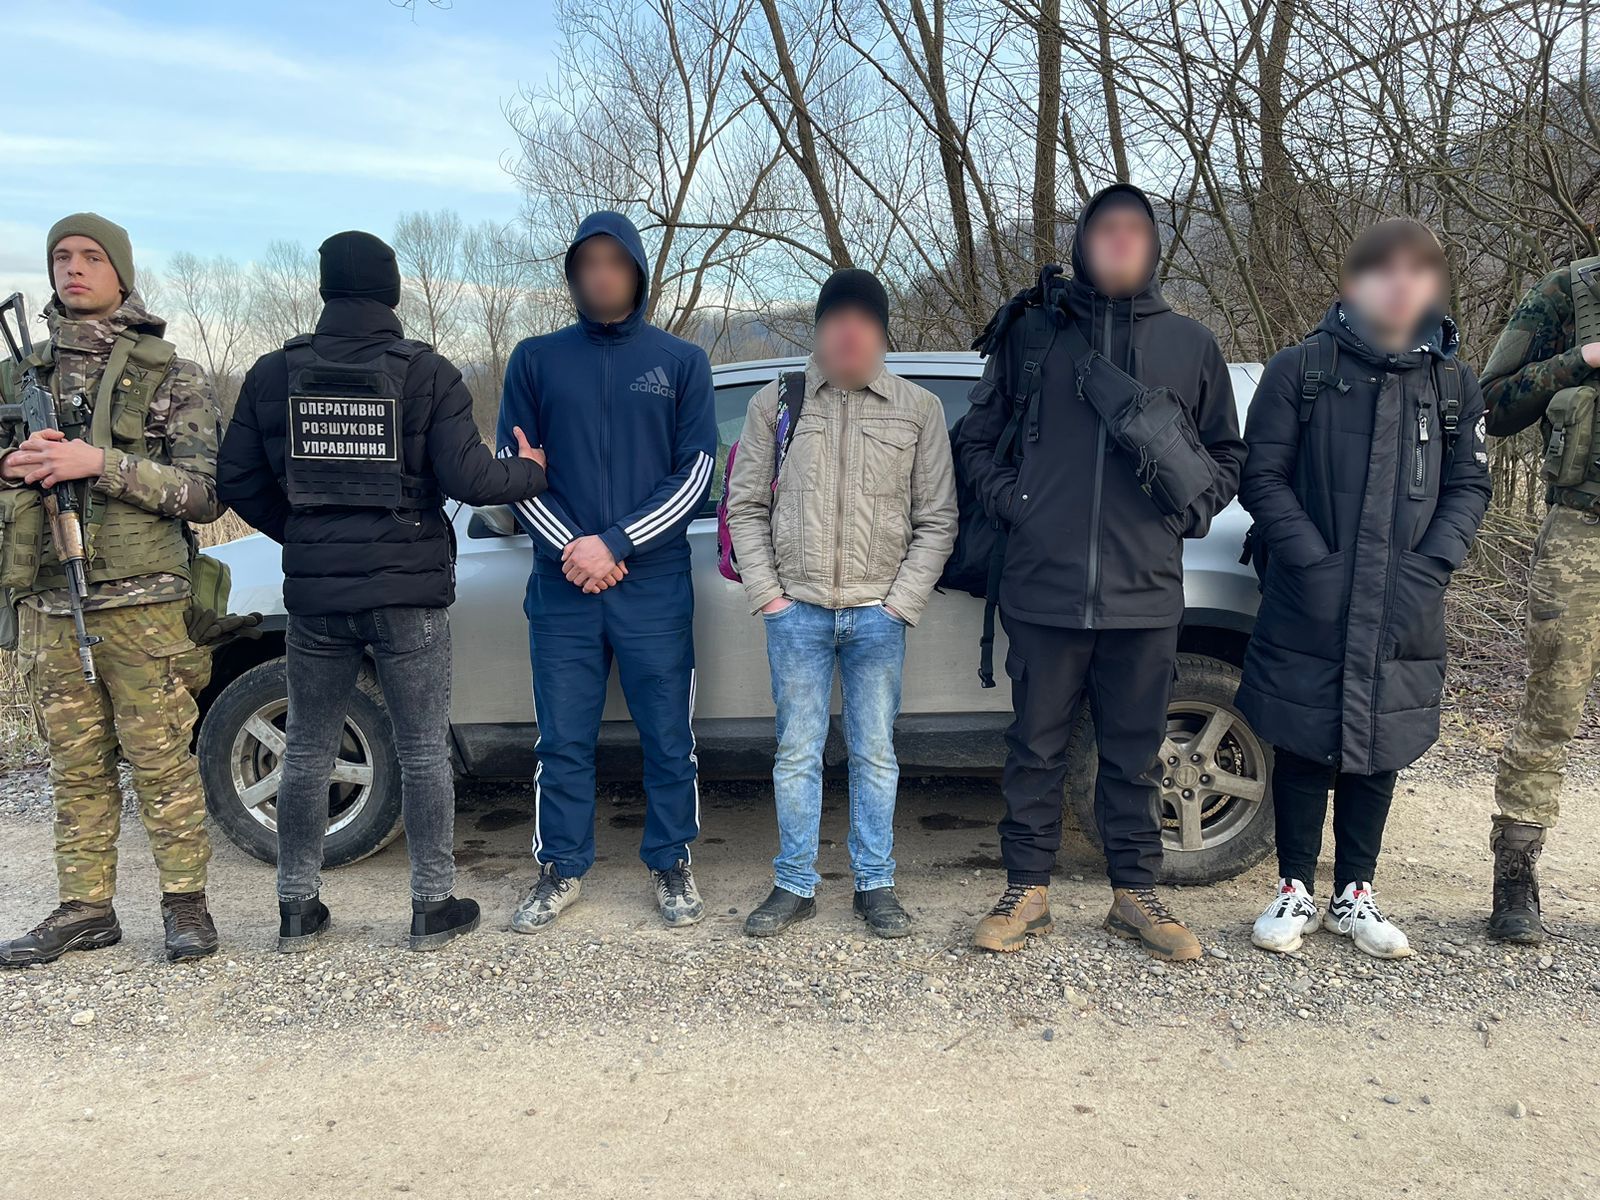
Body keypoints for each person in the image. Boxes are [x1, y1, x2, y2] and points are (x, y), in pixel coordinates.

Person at [218, 230, 548, 952]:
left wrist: (304, 532)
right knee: (423, 748)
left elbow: (235, 478)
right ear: (391, 291)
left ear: (326, 288)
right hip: (408, 596)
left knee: (307, 749)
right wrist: (532, 470)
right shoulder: (426, 372)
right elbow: (470, 479)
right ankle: (432, 906)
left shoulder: (274, 373)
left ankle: (296, 908)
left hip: (318, 603)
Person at [956, 184, 1245, 962]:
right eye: (1104, 228)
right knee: (1035, 749)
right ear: (1082, 242)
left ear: (1153, 247)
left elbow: (1228, 455)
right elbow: (974, 441)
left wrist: (1185, 516)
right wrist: (1016, 504)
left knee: (1134, 752)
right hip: (1043, 588)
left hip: (1144, 593)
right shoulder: (1032, 335)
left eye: (1134, 230)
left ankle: (1135, 895)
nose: (1119, 240)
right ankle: (1026, 891)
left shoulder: (1190, 344)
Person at [1237, 219, 1490, 959]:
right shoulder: (1301, 369)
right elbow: (1261, 476)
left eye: (1418, 271)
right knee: (1303, 737)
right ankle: (1293, 887)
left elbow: (1470, 487)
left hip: (1405, 595)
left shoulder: (1454, 385)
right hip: (1310, 592)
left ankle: (1355, 893)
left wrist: (1431, 565)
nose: (1401, 284)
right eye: (1385, 270)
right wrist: (1311, 562)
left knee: (1380, 743)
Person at [0, 214, 224, 966]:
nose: (73, 269)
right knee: (75, 765)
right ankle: (85, 908)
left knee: (161, 760)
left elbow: (203, 494)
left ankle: (185, 904)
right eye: (61, 256)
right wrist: (12, 468)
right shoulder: (18, 373)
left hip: (142, 604)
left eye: (91, 257)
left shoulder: (171, 375)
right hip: (48, 601)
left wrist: (99, 464)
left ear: (120, 272)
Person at [496, 211, 717, 932]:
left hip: (653, 584)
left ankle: (671, 859)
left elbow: (696, 474)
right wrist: (578, 550)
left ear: (638, 273)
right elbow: (516, 468)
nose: (601, 275)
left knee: (668, 736)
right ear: (573, 276)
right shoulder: (534, 359)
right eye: (587, 263)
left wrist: (616, 544)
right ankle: (561, 867)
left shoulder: (681, 362)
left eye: (615, 262)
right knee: (562, 739)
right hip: (562, 585)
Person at [726, 269, 957, 939]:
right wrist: (769, 597)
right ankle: (794, 883)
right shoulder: (778, 402)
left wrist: (899, 605)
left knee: (875, 754)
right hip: (796, 611)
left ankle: (874, 884)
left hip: (878, 614)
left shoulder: (918, 409)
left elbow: (938, 519)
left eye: (864, 320)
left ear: (882, 334)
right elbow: (745, 506)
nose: (849, 332)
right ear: (819, 330)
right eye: (836, 319)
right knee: (796, 753)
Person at [1480, 250, 1600, 943]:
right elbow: (1491, 404)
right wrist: (1582, 358)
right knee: (1552, 703)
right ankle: (1516, 877)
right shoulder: (1569, 292)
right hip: (1583, 531)